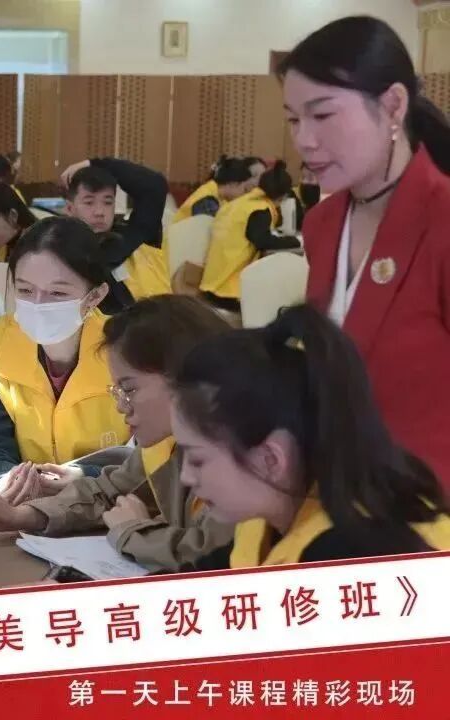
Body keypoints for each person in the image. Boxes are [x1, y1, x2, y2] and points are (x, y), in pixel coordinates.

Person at [281, 16, 450, 488]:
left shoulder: (442, 219)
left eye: (323, 116)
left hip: (427, 505)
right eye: (293, 119)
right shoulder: (322, 224)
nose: (304, 140)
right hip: (336, 491)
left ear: (393, 105)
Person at [174, 305, 450, 569]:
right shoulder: (271, 519)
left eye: (197, 460)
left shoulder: (354, 552)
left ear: (270, 459)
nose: (185, 476)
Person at [0, 296, 234, 571]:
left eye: (130, 390)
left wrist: (133, 531)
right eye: (117, 391)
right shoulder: (167, 441)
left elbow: (213, 556)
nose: (120, 406)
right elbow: (108, 492)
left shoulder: (243, 451)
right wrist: (22, 516)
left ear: (188, 378)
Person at [0, 217, 133, 480]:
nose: (38, 304)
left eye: (57, 293)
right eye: (25, 290)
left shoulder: (129, 350)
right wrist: (8, 483)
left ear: (95, 296)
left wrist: (82, 479)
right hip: (21, 497)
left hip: (109, 495)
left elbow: (147, 455)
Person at [199, 161, 301, 312]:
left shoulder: (239, 203)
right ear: (284, 196)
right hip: (228, 290)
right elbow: (262, 241)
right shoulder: (260, 209)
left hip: (211, 283)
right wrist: (294, 241)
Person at [63, 160, 171, 299]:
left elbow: (154, 185)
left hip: (159, 310)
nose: (99, 212)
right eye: (89, 202)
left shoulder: (138, 235)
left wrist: (95, 163)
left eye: (107, 202)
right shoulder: (61, 253)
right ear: (70, 208)